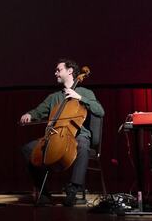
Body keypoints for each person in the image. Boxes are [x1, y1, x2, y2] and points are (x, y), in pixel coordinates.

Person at [19, 60, 104, 206]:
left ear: (70, 71)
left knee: (83, 146)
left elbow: (100, 111)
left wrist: (79, 98)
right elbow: (39, 111)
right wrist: (29, 115)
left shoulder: (85, 92)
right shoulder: (54, 97)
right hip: (54, 136)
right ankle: (44, 192)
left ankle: (73, 189)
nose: (55, 73)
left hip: (78, 135)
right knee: (28, 149)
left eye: (58, 70)